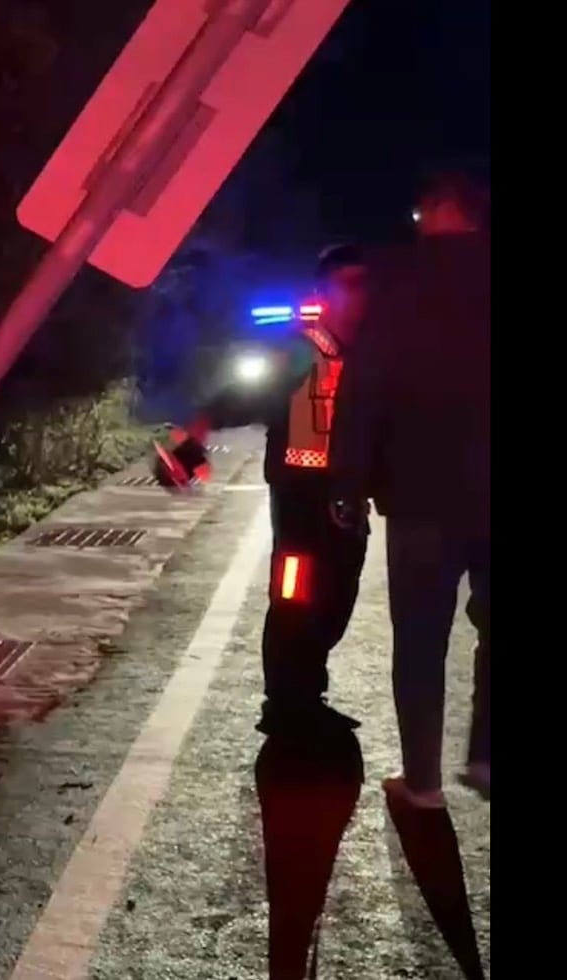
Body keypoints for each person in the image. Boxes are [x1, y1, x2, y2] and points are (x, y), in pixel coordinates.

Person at [157, 243, 371, 737]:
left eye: (367, 285)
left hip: (349, 497)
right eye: (351, 284)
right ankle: (287, 698)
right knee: (295, 592)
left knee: (341, 592)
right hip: (299, 496)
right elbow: (237, 398)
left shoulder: (373, 353)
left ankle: (308, 687)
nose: (361, 296)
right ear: (325, 291)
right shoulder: (300, 349)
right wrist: (192, 442)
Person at [328, 171, 491, 808]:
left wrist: (347, 480)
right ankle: (485, 752)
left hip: (422, 491)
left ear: (441, 210)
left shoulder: (398, 278)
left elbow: (365, 384)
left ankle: (421, 782)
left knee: (420, 636)